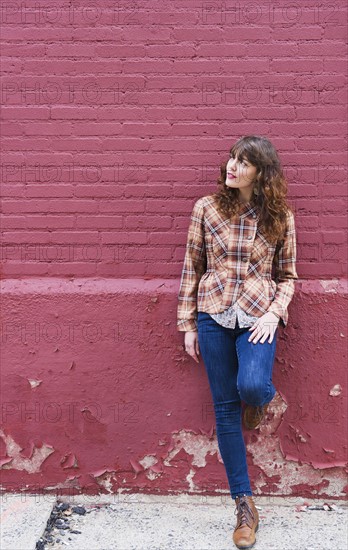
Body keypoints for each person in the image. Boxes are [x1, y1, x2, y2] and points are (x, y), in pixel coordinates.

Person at [176, 135, 298, 549]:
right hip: (213, 314)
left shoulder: (279, 214)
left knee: (251, 387)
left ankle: (260, 401)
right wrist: (188, 323)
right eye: (231, 158)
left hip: (257, 319)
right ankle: (244, 506)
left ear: (261, 172)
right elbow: (192, 267)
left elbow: (289, 277)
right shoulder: (206, 208)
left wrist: (272, 313)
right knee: (225, 408)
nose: (232, 166)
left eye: (243, 162)